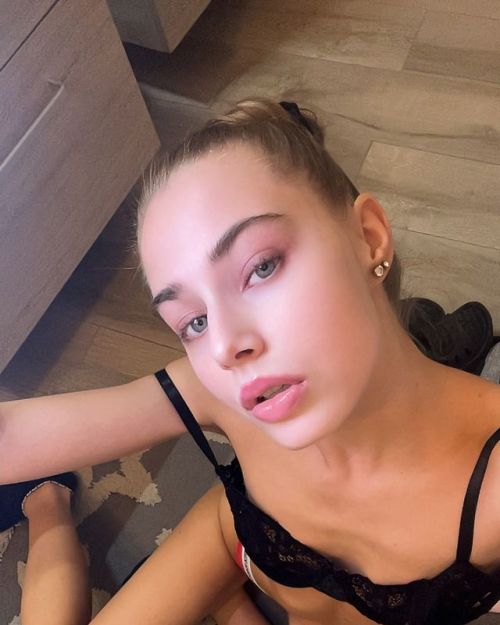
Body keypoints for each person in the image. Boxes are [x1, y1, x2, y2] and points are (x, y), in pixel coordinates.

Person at [1, 98, 499, 625]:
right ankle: (47, 500)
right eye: (193, 321)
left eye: (260, 268)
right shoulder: (217, 392)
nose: (223, 346)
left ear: (368, 237)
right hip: (233, 542)